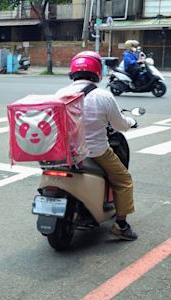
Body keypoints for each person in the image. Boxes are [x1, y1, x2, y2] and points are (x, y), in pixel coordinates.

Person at [56, 51, 138, 240]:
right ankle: (121, 225)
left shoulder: (60, 93)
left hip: (67, 151)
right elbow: (119, 125)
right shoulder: (103, 96)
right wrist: (130, 123)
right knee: (124, 180)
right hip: (96, 152)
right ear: (96, 72)